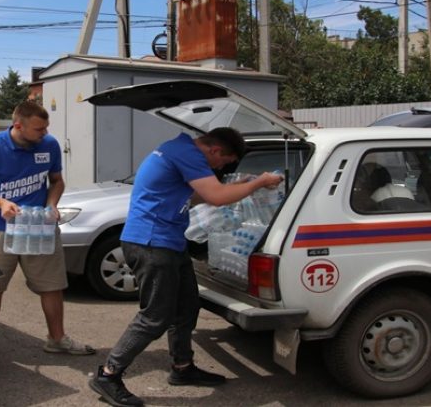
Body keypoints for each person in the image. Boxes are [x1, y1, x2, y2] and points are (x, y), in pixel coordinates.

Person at [88, 127, 284, 406]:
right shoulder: (186, 153)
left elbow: (196, 196)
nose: (221, 167)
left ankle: (182, 367)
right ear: (215, 150)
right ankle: (108, 375)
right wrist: (260, 182)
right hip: (152, 243)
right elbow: (216, 197)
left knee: (187, 306)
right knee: (155, 317)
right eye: (224, 162)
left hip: (169, 241)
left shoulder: (177, 150)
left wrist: (240, 186)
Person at [0, 101, 95, 370]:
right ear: (18, 125)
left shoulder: (49, 145)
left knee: (52, 285)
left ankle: (57, 339)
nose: (44, 133)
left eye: (46, 128)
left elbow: (57, 181)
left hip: (38, 226)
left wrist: (52, 204)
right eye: (38, 129)